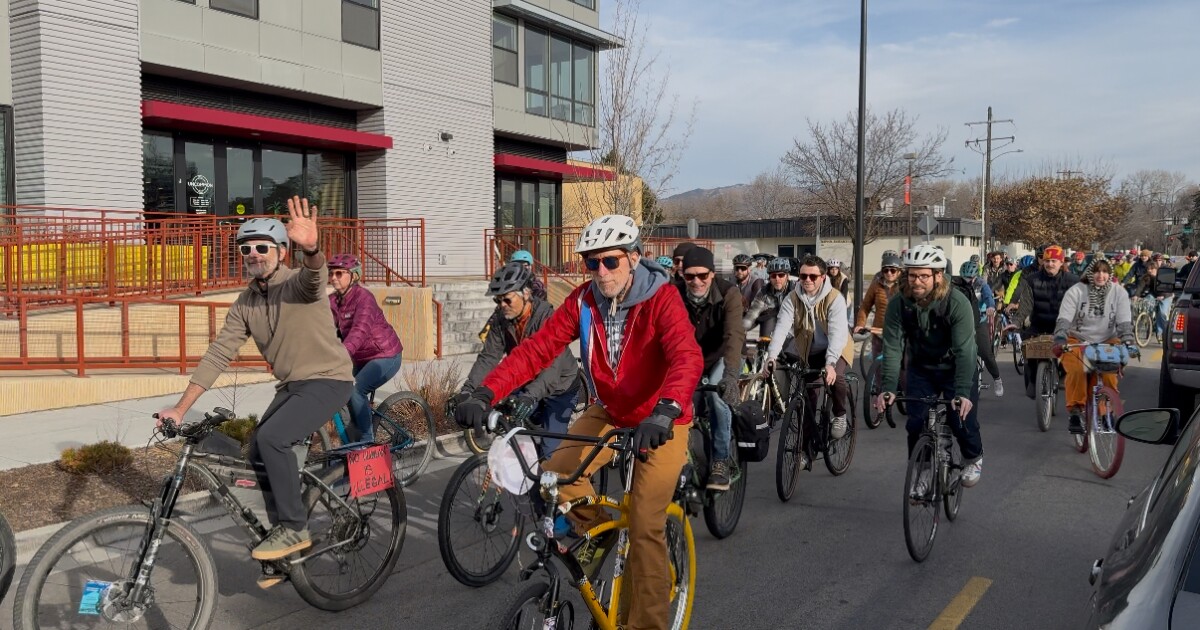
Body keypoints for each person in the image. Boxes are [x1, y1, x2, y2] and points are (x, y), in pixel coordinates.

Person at [454, 213, 703, 630]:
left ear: (634, 259)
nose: (600, 272)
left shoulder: (662, 298)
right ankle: (601, 534)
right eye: (592, 263)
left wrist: (667, 409)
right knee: (556, 475)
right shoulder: (584, 302)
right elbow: (536, 351)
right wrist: (485, 392)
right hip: (611, 409)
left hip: (663, 418)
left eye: (610, 262)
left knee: (644, 524)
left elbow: (686, 356)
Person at [157, 198, 353, 572]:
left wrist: (311, 248)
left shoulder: (298, 285)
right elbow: (218, 354)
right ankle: (284, 542)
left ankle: (294, 529)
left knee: (272, 439)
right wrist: (180, 408)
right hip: (293, 386)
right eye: (246, 249)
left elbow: (315, 274)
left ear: (281, 251)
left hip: (329, 380)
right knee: (257, 453)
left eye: (262, 247)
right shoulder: (246, 303)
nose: (253, 254)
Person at [874, 244, 984, 488]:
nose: (916, 281)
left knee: (960, 420)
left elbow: (965, 351)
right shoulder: (899, 304)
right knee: (915, 423)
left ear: (938, 276)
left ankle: (973, 457)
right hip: (922, 368)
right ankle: (923, 470)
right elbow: (892, 348)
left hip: (956, 368)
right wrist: (889, 387)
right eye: (912, 275)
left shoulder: (956, 302)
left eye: (924, 275)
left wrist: (963, 392)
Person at [454, 262, 579, 453]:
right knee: (512, 439)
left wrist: (530, 396)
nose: (502, 305)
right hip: (527, 381)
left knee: (550, 454)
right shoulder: (500, 320)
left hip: (558, 386)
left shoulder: (546, 316)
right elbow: (488, 358)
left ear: (526, 293)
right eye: (498, 301)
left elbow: (552, 368)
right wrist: (468, 392)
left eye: (507, 300)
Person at [763, 255, 853, 447]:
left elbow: (837, 334)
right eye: (803, 276)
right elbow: (781, 328)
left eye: (813, 277)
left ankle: (840, 414)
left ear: (823, 277)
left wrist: (829, 363)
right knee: (807, 397)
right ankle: (805, 448)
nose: (807, 281)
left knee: (836, 376)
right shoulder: (792, 298)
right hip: (810, 350)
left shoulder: (834, 298)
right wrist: (771, 357)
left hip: (836, 347)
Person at [677, 245, 745, 490]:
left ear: (712, 274)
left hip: (720, 357)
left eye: (702, 275)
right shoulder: (674, 294)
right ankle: (679, 461)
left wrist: (730, 376)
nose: (696, 281)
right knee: (677, 402)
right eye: (690, 276)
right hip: (690, 361)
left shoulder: (729, 294)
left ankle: (720, 461)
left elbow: (734, 336)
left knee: (718, 399)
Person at [1052, 256, 1138, 434]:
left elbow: (1123, 322)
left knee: (1108, 374)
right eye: (1097, 271)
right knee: (1077, 370)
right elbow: (1064, 318)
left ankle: (1106, 412)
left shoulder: (1119, 292)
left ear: (1110, 274)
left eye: (1105, 271)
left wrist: (1128, 342)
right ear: (1090, 273)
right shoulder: (1076, 291)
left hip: (1107, 339)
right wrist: (1060, 337)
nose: (1101, 275)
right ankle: (1076, 412)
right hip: (1076, 339)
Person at [327, 253, 403, 443]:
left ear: (353, 276)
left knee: (355, 390)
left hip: (385, 355)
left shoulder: (364, 298)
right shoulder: (332, 301)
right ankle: (350, 441)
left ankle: (366, 444)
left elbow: (359, 331)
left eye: (339, 273)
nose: (334, 278)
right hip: (359, 357)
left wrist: (341, 355)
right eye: (331, 274)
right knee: (338, 389)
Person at [1012, 244, 1080, 398]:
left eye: (1054, 261)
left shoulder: (1073, 281)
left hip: (1063, 325)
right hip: (1039, 323)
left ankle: (1062, 372)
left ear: (1061, 262)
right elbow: (1025, 306)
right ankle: (1034, 381)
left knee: (1071, 349)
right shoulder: (1032, 280)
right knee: (1028, 348)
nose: (1050, 264)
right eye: (1047, 261)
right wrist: (1016, 322)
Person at [854, 250, 902, 388]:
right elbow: (865, 306)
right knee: (879, 367)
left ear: (899, 272)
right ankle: (880, 395)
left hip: (898, 333)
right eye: (886, 270)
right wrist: (860, 324)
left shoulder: (904, 287)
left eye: (893, 270)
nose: (889, 273)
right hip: (879, 331)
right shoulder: (876, 285)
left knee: (902, 368)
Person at [956, 260, 1004, 396]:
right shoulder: (956, 284)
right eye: (965, 277)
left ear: (976, 276)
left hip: (979, 321)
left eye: (971, 278)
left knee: (986, 354)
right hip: (961, 322)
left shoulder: (982, 284)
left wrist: (990, 306)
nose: (968, 281)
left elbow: (989, 297)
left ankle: (997, 379)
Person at [743, 257, 796, 337]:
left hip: (792, 327)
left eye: (781, 275)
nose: (777, 279)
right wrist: (740, 329)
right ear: (769, 277)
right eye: (773, 276)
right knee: (768, 317)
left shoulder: (795, 291)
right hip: (771, 323)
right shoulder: (764, 292)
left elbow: (800, 318)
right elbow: (753, 312)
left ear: (787, 276)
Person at [1133, 255, 1172, 338]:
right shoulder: (1146, 277)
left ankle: (1162, 333)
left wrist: (1163, 296)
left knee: (1162, 312)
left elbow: (1168, 288)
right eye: (1148, 269)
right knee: (1146, 303)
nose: (1149, 271)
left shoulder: (1164, 275)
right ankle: (1148, 319)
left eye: (1152, 269)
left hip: (1166, 295)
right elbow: (1140, 287)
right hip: (1154, 294)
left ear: (1157, 269)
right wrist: (1136, 295)